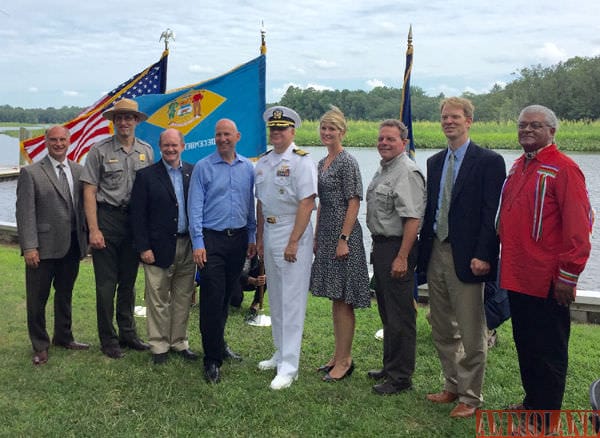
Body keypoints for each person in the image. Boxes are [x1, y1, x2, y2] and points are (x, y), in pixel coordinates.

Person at [498, 105, 592, 421]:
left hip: (548, 279)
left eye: (535, 125)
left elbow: (579, 227)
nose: (526, 130)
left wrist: (568, 276)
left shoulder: (564, 169)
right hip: (517, 275)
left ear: (551, 131)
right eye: (522, 124)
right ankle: (532, 403)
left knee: (549, 351)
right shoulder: (518, 167)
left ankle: (544, 420)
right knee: (527, 345)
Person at [417, 97, 506, 418]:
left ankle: (470, 395)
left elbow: (491, 215)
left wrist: (485, 255)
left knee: (471, 330)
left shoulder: (489, 161)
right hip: (436, 251)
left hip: (469, 257)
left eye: (455, 117)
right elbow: (431, 210)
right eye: (444, 117)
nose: (448, 122)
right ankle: (451, 384)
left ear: (469, 121)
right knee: (441, 325)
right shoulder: (435, 162)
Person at [81, 98, 153, 359]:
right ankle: (108, 338)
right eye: (119, 118)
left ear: (136, 121)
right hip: (107, 220)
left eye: (129, 118)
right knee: (105, 286)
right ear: (113, 121)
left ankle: (128, 333)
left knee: (128, 283)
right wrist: (94, 229)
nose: (124, 122)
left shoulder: (146, 151)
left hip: (134, 225)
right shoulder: (99, 151)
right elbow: (89, 191)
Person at [188, 118, 256, 384]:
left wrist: (251, 235)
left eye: (227, 134)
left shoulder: (247, 168)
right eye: (218, 135)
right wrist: (198, 243)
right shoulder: (204, 168)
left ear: (237, 136)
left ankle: (220, 344)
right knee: (211, 299)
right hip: (211, 241)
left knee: (228, 294)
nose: (222, 139)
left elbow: (250, 203)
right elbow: (194, 207)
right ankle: (211, 359)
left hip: (237, 240)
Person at [255, 106, 317, 390]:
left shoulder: (302, 161)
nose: (276, 133)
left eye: (282, 129)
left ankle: (289, 367)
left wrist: (293, 240)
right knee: (277, 298)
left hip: (293, 231)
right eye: (273, 129)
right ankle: (280, 353)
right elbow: (260, 202)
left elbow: (307, 202)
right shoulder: (264, 162)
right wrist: (258, 237)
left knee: (291, 301)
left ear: (292, 132)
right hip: (269, 229)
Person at [16, 126, 90, 365]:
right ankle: (39, 345)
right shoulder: (32, 172)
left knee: (65, 294)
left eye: (62, 140)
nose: (58, 144)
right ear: (46, 141)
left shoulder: (79, 171)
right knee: (37, 299)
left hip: (71, 245)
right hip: (43, 246)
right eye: (53, 140)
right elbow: (25, 213)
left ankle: (64, 336)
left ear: (69, 141)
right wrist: (29, 247)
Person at [365, 119, 426, 395]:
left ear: (404, 143)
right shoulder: (385, 169)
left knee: (401, 314)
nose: (384, 143)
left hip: (398, 247)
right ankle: (390, 367)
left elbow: (413, 218)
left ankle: (401, 377)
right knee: (387, 312)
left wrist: (402, 257)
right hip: (382, 246)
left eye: (391, 139)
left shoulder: (407, 172)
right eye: (381, 139)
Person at [310, 106, 370, 382]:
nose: (326, 133)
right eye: (323, 128)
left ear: (342, 132)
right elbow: (321, 202)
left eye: (332, 129)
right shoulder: (323, 163)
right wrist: (316, 235)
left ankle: (345, 361)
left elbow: (354, 201)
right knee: (335, 297)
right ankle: (337, 354)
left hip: (344, 237)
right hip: (326, 234)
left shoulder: (348, 161)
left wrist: (343, 239)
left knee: (344, 300)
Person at [130, 128, 198, 365]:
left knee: (183, 296)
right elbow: (137, 216)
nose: (170, 149)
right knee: (158, 298)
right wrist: (143, 247)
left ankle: (179, 342)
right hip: (157, 248)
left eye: (174, 145)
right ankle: (159, 346)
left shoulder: (193, 172)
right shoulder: (146, 176)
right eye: (166, 145)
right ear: (160, 147)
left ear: (183, 146)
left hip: (188, 245)